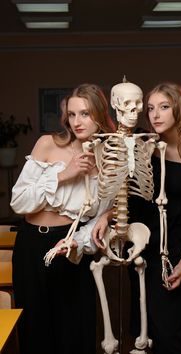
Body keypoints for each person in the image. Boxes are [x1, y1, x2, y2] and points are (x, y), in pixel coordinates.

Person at [92, 81, 181, 354]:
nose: (155, 115)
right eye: (151, 108)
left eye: (164, 107)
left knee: (169, 331)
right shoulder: (146, 146)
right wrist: (107, 215)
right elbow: (131, 193)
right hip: (143, 245)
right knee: (144, 327)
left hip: (174, 251)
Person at [10, 83, 116, 354]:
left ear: (100, 115)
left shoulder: (111, 162)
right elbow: (18, 202)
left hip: (70, 247)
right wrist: (63, 175)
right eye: (72, 115)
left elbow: (97, 220)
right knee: (34, 329)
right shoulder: (48, 144)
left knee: (74, 330)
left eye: (85, 114)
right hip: (31, 245)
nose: (77, 122)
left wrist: (79, 243)